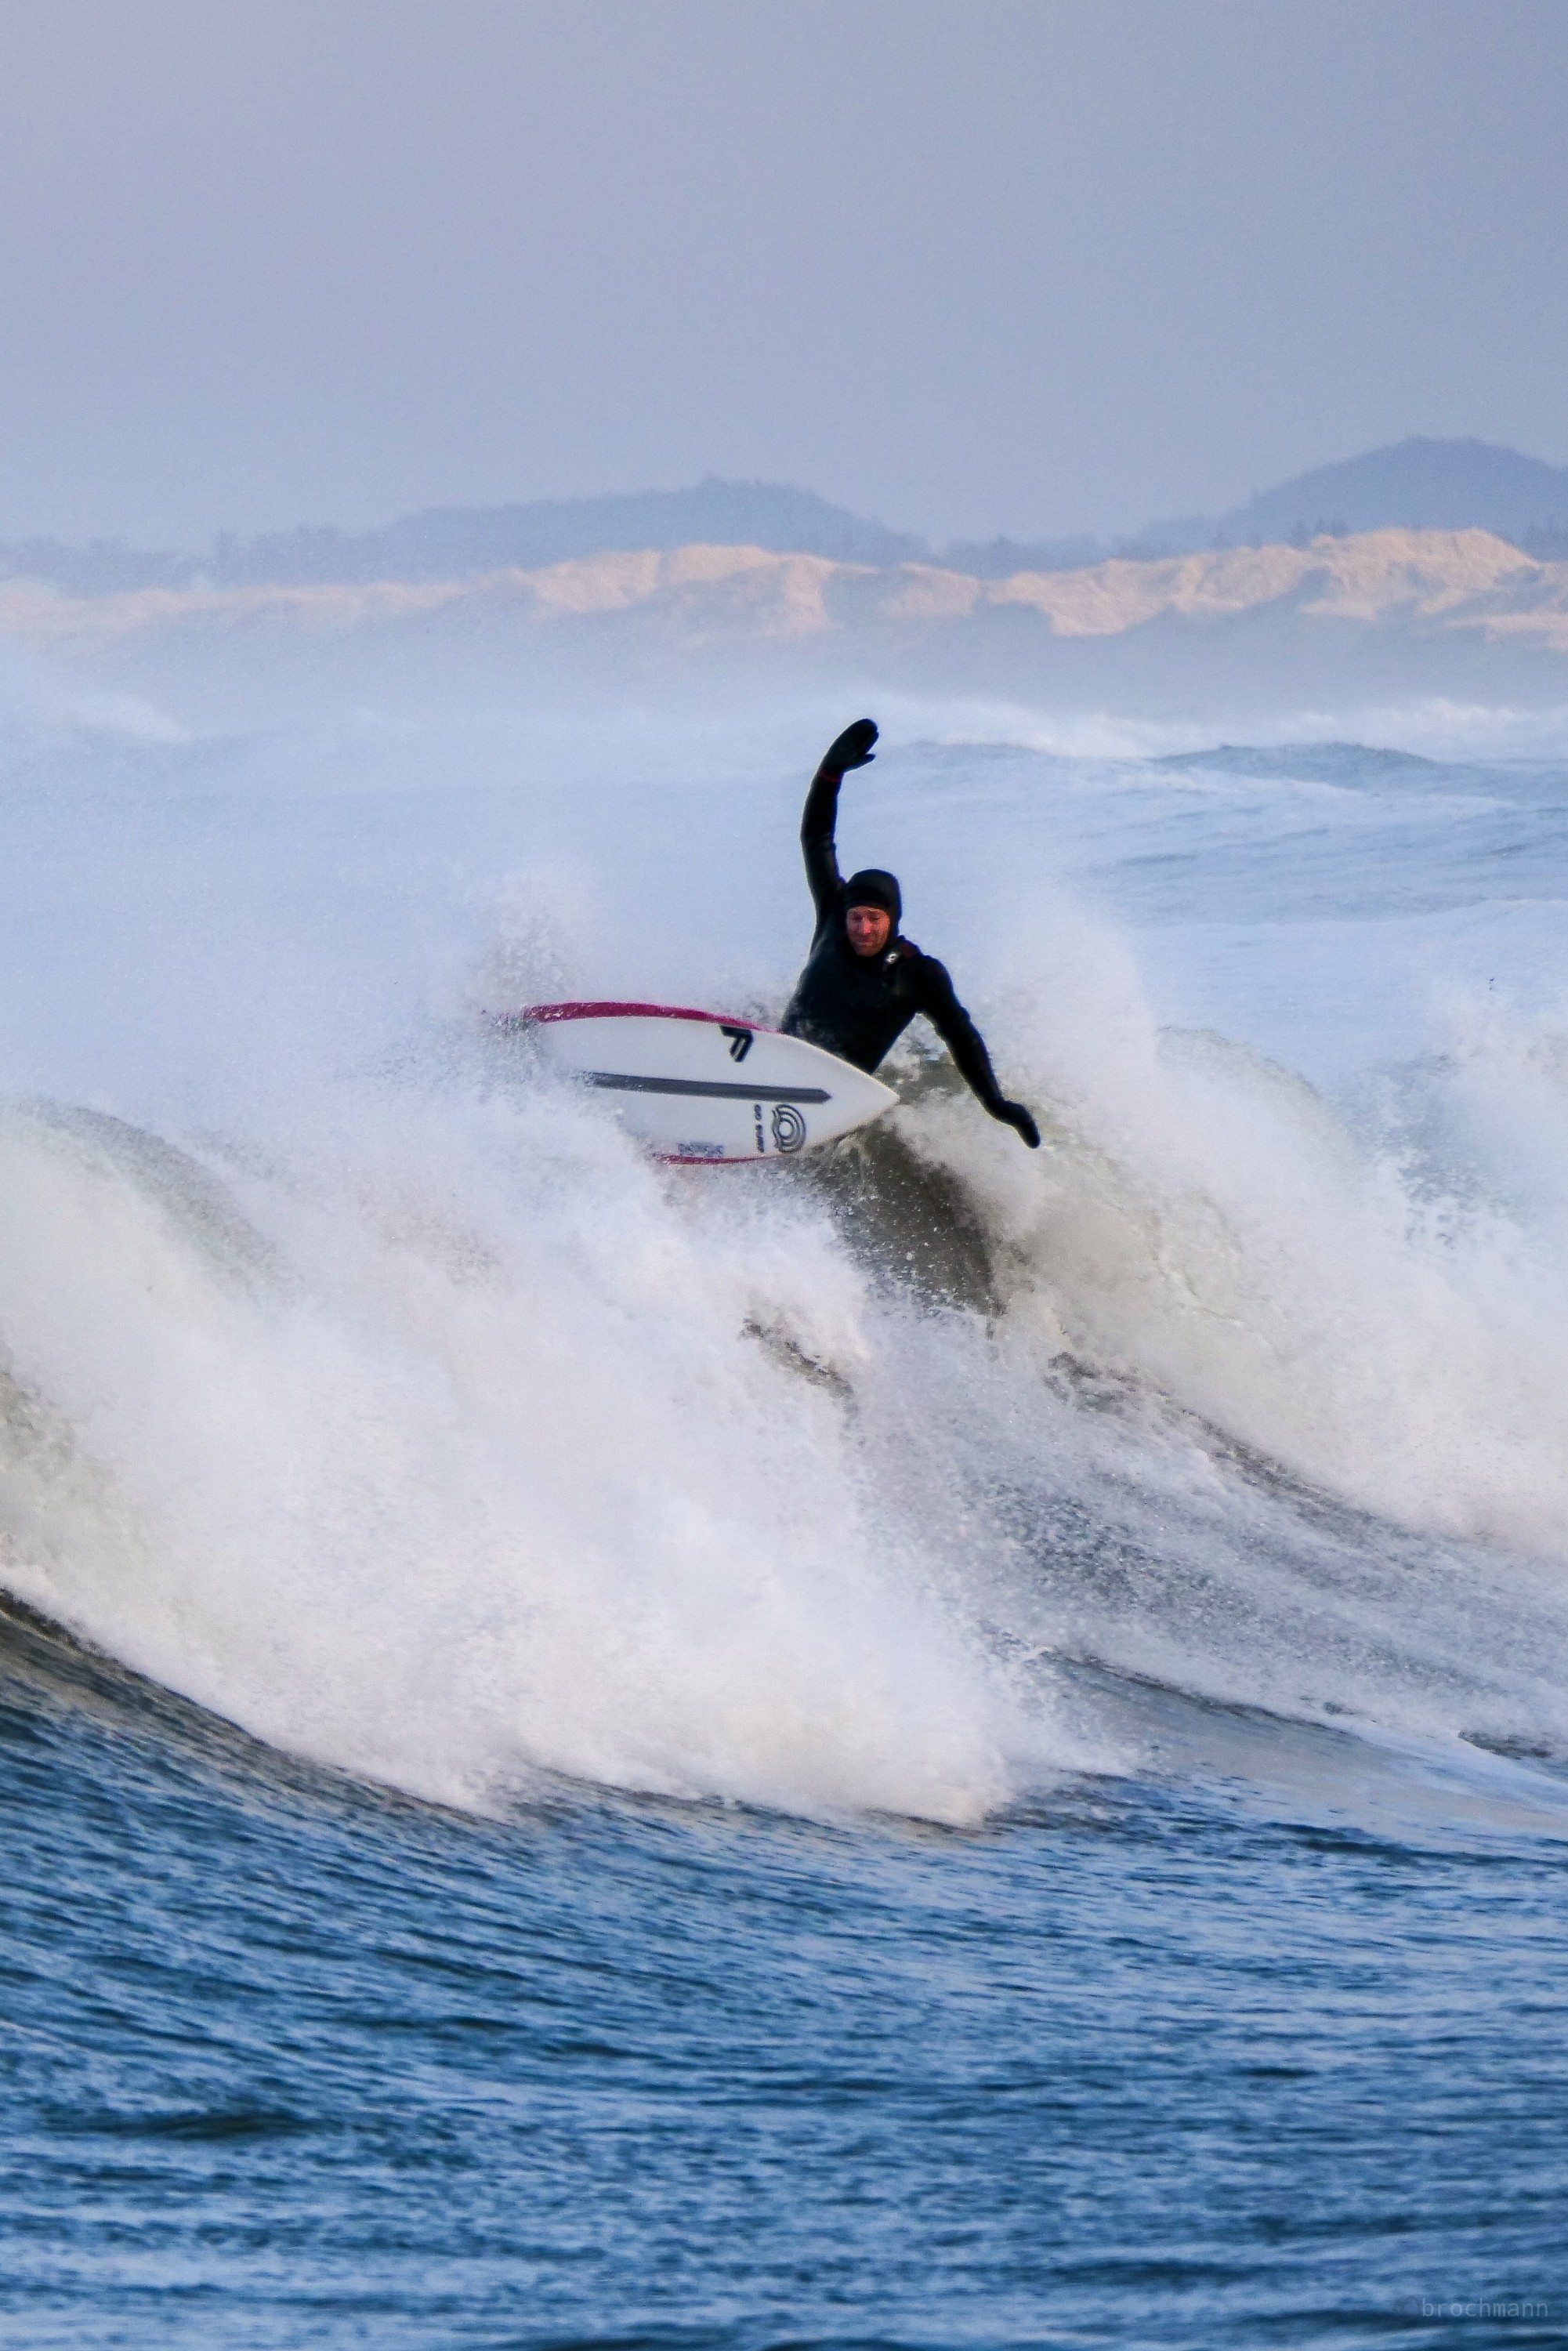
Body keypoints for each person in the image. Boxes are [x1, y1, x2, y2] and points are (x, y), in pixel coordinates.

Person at [781, 719, 1041, 1147]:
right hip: (779, 1064)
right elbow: (816, 838)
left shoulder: (917, 974)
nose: (862, 929)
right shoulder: (832, 914)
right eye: (856, 918)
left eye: (874, 919)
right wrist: (829, 774)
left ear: (892, 920)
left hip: (831, 1105)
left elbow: (961, 1036)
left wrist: (996, 1103)